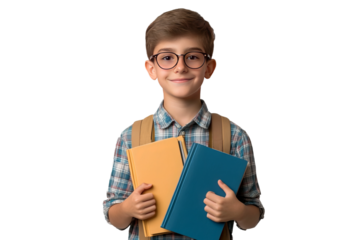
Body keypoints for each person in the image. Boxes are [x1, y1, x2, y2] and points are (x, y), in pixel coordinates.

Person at [102, 6, 265, 239]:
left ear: (210, 69)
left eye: (192, 57)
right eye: (167, 57)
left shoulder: (235, 135)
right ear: (151, 69)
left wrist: (237, 210)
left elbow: (253, 216)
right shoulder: (130, 136)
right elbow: (112, 214)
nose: (180, 66)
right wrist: (127, 209)